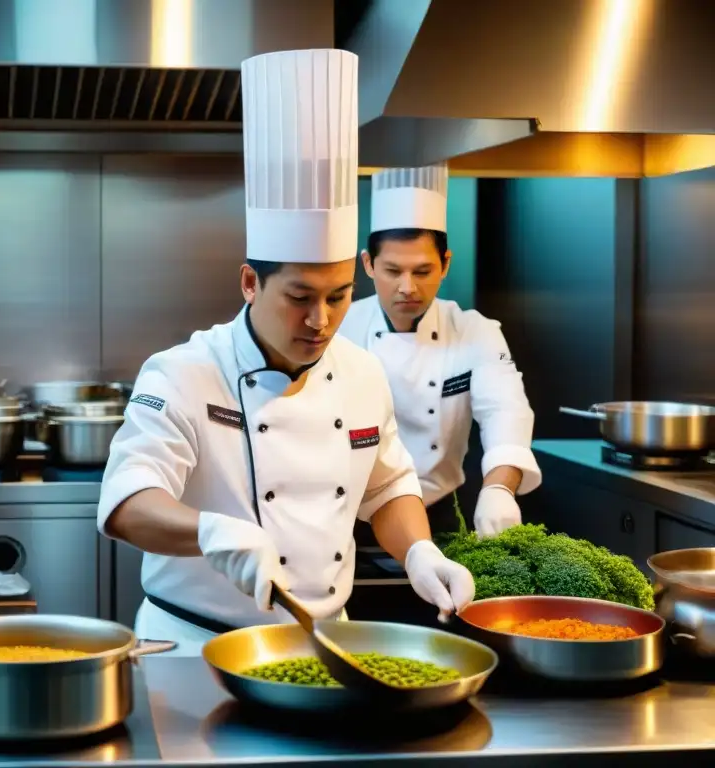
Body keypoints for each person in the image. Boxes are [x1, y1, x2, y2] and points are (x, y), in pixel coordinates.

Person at [96, 50, 475, 655]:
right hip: (194, 650)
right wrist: (212, 532)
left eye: (339, 296)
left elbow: (387, 487)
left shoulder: (360, 373)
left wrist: (420, 551)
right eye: (299, 297)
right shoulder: (184, 373)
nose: (321, 320)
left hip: (328, 647)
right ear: (250, 283)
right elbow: (125, 504)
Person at [338, 164, 541, 538]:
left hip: (438, 515)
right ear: (368, 264)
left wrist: (499, 489)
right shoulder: (338, 329)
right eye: (392, 270)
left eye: (422, 271)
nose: (407, 287)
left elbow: (505, 410)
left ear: (445, 264)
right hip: (346, 517)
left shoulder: (475, 331)